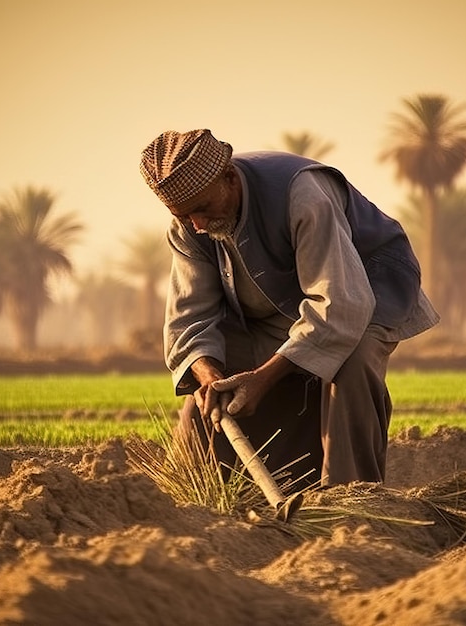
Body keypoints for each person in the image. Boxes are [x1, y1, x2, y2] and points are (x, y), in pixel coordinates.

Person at [139, 129, 439, 487]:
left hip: (364, 291)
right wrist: (211, 378)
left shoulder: (302, 195)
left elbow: (338, 306)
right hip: (276, 312)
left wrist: (264, 378)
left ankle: (351, 499)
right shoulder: (189, 227)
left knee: (353, 363)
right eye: (185, 216)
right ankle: (192, 503)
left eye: (202, 209)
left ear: (230, 178)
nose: (198, 225)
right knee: (207, 399)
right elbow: (190, 320)